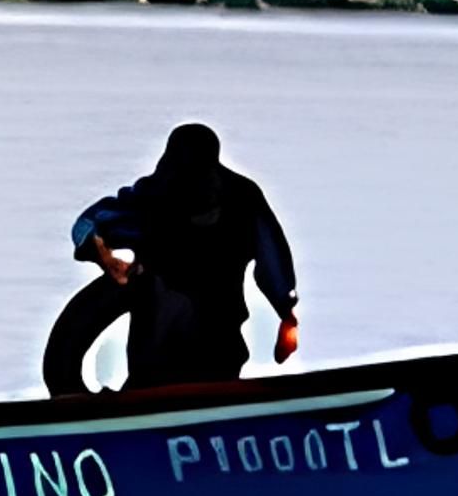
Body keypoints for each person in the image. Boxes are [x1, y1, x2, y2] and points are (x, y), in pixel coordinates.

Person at [60, 121, 299, 398]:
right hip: (157, 341)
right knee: (153, 377)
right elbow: (88, 224)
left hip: (218, 339)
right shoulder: (153, 197)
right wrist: (104, 256)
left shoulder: (242, 198)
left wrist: (286, 312)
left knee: (210, 373)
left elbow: (272, 256)